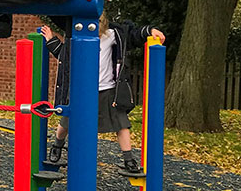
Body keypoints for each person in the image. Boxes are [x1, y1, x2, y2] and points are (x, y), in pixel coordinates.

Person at [39, 18, 165, 175]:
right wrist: (51, 40)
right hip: (81, 90)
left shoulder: (112, 35)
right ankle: (57, 145)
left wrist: (149, 31)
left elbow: (132, 35)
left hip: (108, 89)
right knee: (66, 122)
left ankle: (129, 159)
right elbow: (64, 58)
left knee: (121, 123)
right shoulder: (76, 39)